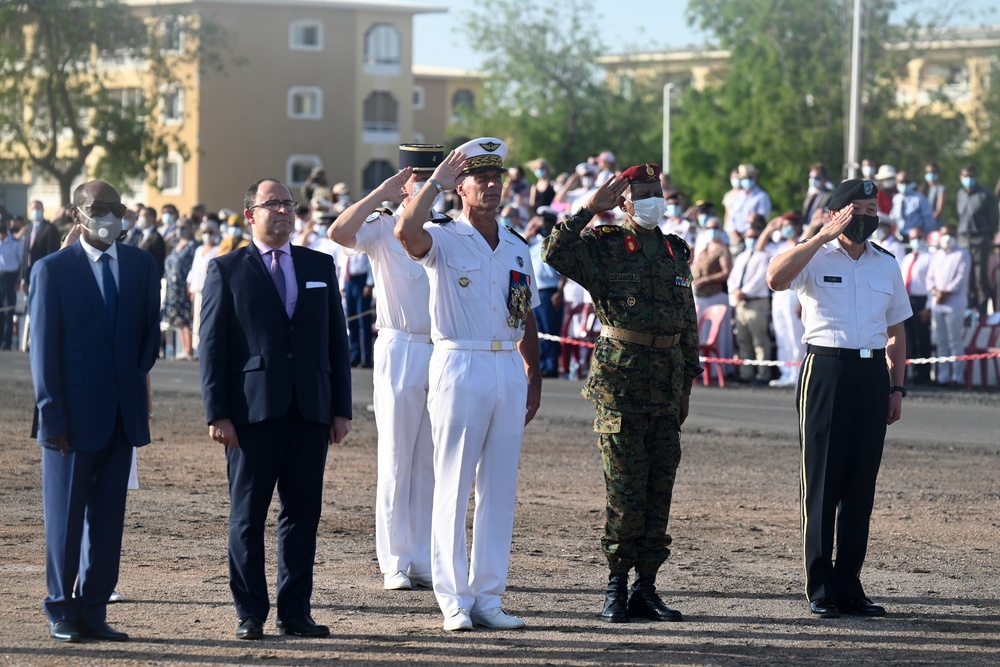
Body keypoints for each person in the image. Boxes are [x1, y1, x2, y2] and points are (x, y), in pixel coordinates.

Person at [542, 163, 702, 623]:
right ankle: (615, 584)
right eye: (643, 192)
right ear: (625, 201)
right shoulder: (604, 245)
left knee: (659, 490)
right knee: (625, 491)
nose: (653, 199)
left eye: (658, 191)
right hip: (621, 387)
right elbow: (554, 252)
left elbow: (686, 320)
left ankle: (646, 587)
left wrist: (688, 379)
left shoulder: (676, 251)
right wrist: (589, 209)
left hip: (667, 384)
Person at [395, 138, 541, 632]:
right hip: (460, 362)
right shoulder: (444, 235)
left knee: (499, 488)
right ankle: (453, 598)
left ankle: (488, 596)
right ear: (460, 186)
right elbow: (404, 230)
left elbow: (527, 315)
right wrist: (432, 181)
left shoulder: (518, 245)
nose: (492, 186)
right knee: (453, 484)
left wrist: (533, 373)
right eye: (480, 178)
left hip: (506, 368)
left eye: (498, 178)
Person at [198, 178, 352, 640]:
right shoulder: (225, 269)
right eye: (273, 204)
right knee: (247, 516)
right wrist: (217, 412)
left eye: (289, 204)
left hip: (310, 410)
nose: (284, 211)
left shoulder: (319, 264)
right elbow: (212, 346)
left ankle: (295, 611)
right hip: (250, 413)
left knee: (302, 514)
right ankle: (250, 612)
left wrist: (340, 408)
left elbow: (336, 342)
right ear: (250, 215)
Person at [766, 178, 911, 619]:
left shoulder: (885, 263)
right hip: (824, 369)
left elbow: (896, 329)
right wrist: (819, 237)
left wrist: (897, 385)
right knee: (823, 481)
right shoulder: (814, 254)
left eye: (873, 208)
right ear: (836, 212)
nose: (868, 216)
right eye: (859, 208)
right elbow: (775, 278)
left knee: (860, 484)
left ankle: (849, 583)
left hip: (871, 373)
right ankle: (820, 586)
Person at [29, 180, 160, 642]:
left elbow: (149, 339)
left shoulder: (143, 265)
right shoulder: (53, 270)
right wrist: (52, 417)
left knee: (107, 523)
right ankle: (61, 609)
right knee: (64, 522)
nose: (110, 216)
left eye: (117, 207)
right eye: (99, 208)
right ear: (76, 214)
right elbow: (43, 353)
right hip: (70, 420)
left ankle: (94, 608)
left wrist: (133, 392)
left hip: (121, 415)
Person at [328, 143, 445, 592]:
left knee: (430, 462)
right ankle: (394, 560)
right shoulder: (380, 228)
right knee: (397, 457)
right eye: (420, 180)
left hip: (441, 348)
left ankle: (423, 558)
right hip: (399, 346)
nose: (432, 188)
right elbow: (339, 233)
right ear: (405, 182)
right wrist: (380, 193)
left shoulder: (449, 230)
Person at [728, 218, 773, 385]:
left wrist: (744, 292)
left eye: (754, 236)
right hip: (741, 303)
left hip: (756, 302)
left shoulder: (764, 256)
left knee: (760, 340)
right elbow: (732, 278)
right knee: (743, 340)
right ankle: (746, 373)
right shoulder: (741, 256)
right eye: (748, 236)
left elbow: (760, 278)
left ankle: (763, 374)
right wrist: (735, 291)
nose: (751, 240)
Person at [926, 225, 972, 387]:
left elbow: (960, 279)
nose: (947, 237)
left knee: (955, 341)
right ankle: (943, 377)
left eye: (951, 234)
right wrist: (935, 292)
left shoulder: (962, 253)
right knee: (941, 342)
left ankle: (957, 377)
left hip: (955, 304)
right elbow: (929, 278)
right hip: (937, 305)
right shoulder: (937, 255)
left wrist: (944, 293)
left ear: (956, 235)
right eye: (945, 234)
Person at [765, 213, 807, 387]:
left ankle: (798, 373)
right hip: (778, 295)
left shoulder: (803, 244)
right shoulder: (781, 245)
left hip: (793, 292)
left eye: (790, 225)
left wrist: (800, 302)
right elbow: (760, 248)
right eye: (784, 226)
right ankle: (786, 373)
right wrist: (769, 229)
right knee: (782, 335)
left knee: (795, 335)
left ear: (798, 226)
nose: (786, 229)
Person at [524, 206, 564, 378]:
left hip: (550, 290)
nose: (543, 224)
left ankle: (551, 364)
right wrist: (528, 235)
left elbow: (564, 272)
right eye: (541, 220)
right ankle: (540, 364)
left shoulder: (556, 242)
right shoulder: (533, 243)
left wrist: (560, 292)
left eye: (546, 221)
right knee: (538, 330)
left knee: (550, 330)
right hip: (535, 291)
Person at [955, 165, 999, 316]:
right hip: (963, 239)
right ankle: (970, 310)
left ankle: (982, 313)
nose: (968, 179)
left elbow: (994, 218)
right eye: (965, 176)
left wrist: (989, 236)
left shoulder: (985, 194)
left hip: (980, 239)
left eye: (971, 176)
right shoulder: (960, 193)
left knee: (981, 279)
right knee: (967, 278)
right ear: (960, 178)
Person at [900, 228, 933, 385]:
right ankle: (911, 373)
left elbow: (933, 284)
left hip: (921, 301)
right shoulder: (906, 259)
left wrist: (928, 307)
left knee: (922, 340)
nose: (915, 240)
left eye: (918, 237)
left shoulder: (929, 258)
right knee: (909, 340)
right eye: (913, 237)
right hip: (907, 300)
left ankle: (924, 374)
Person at [161, 225, 198, 360]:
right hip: (173, 289)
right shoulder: (176, 244)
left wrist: (190, 285)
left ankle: (189, 349)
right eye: (178, 227)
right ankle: (184, 349)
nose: (180, 230)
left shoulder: (193, 245)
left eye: (184, 227)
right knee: (177, 319)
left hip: (184, 287)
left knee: (186, 318)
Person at [19, 200, 62, 296]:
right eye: (33, 208)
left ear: (43, 210)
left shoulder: (50, 228)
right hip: (29, 272)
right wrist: (22, 277)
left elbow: (53, 252)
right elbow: (25, 254)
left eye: (37, 208)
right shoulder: (29, 229)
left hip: (42, 271)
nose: (35, 211)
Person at [891, 170, 936, 238]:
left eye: (907, 182)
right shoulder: (896, 198)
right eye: (901, 182)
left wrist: (924, 233)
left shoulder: (919, 198)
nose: (904, 184)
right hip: (899, 236)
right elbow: (893, 217)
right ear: (896, 182)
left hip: (915, 237)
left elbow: (929, 218)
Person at [729, 164, 772, 235]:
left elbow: (762, 220)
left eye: (749, 177)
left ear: (754, 178)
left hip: (753, 236)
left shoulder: (762, 197)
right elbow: (731, 218)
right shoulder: (738, 197)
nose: (746, 180)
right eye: (743, 178)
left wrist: (750, 233)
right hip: (736, 237)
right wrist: (734, 234)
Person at [0, 221, 23, 350]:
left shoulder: (15, 243)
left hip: (10, 278)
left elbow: (21, 263)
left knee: (8, 310)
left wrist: (18, 281)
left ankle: (6, 342)